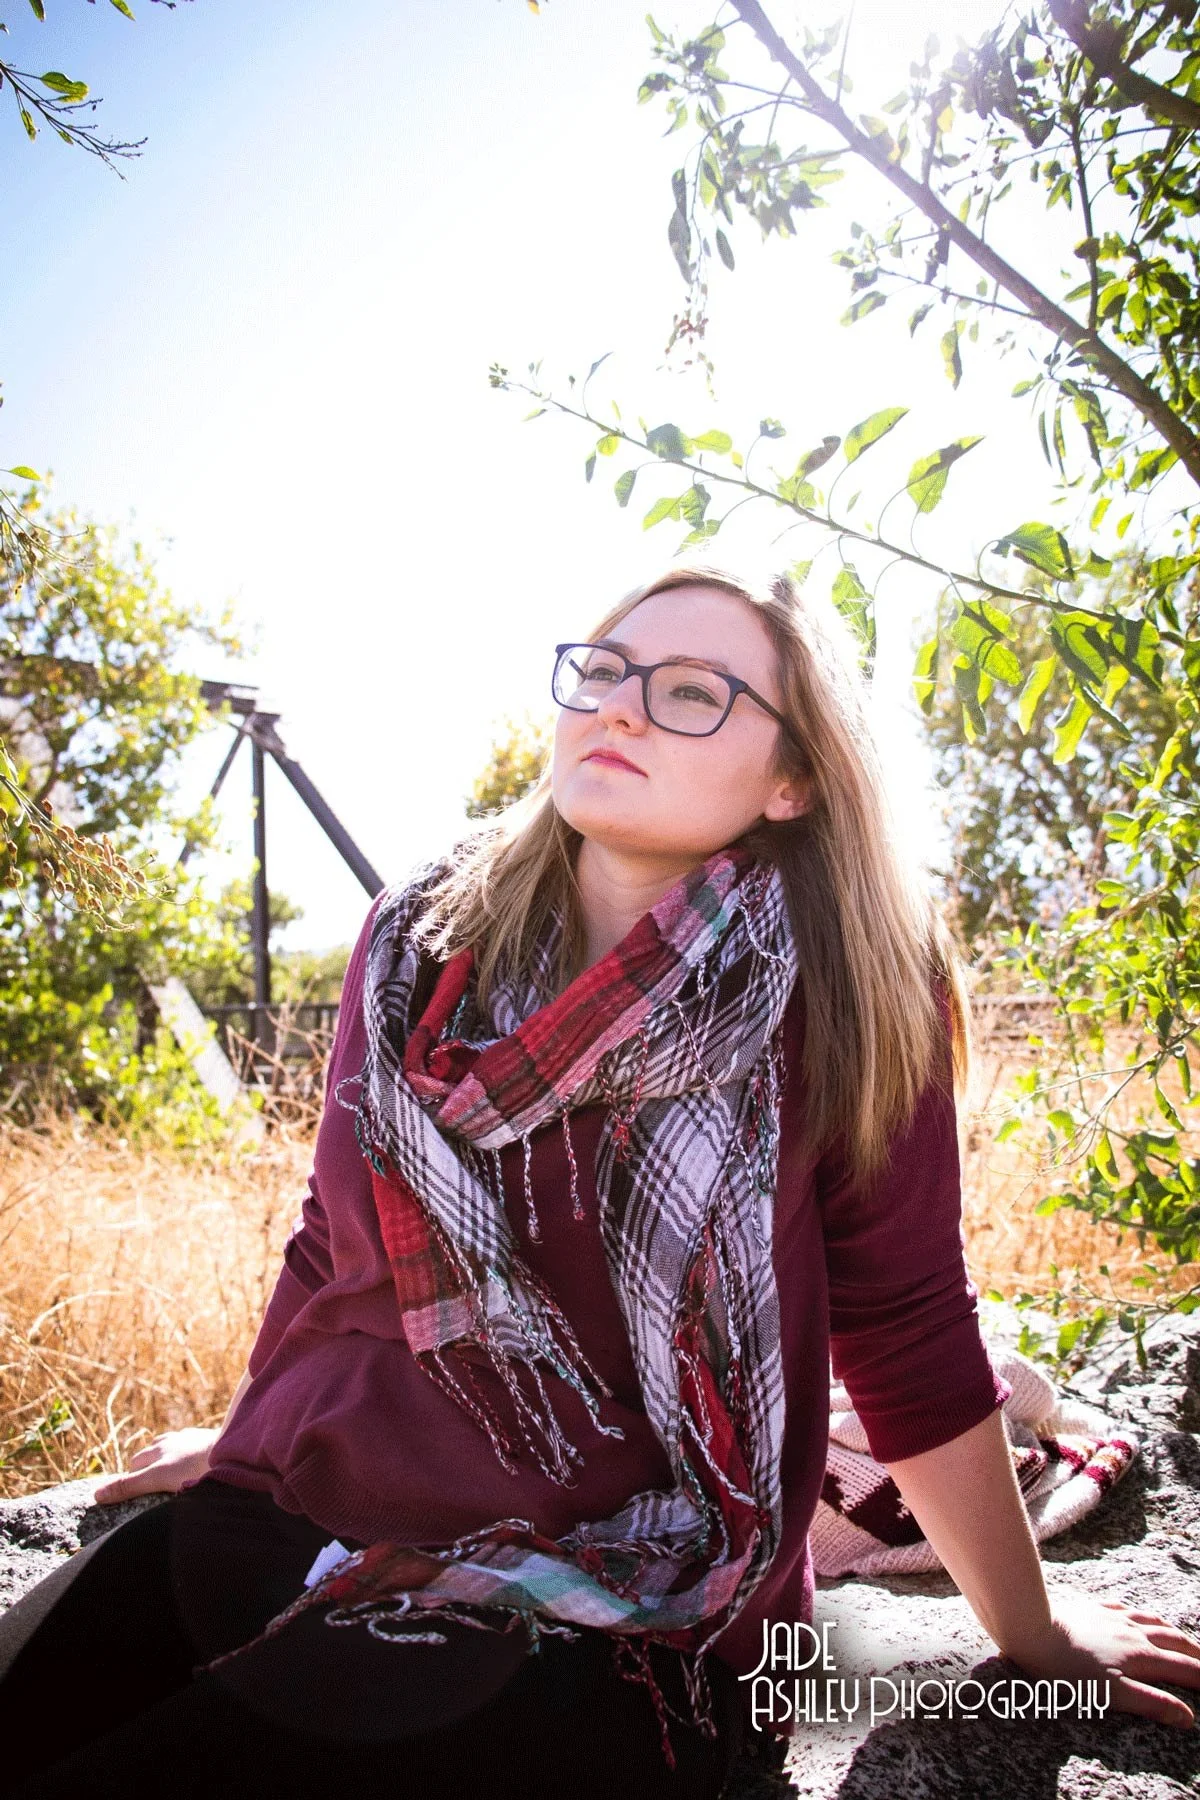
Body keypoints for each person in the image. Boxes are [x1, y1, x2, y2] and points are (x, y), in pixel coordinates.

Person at [2, 562, 1198, 1800]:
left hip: (628, 1606)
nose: (619, 709)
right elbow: (333, 1245)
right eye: (606, 671)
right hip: (315, 1509)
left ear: (794, 780)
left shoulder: (855, 987)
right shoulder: (417, 940)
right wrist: (265, 1438)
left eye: (693, 693)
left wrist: (1031, 1635)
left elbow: (905, 1328)